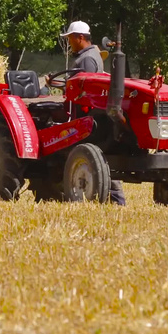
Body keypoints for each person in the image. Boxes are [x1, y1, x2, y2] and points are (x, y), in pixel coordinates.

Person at [61, 20, 126, 206]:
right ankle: (116, 200)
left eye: (71, 38)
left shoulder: (87, 59)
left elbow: (86, 88)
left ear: (80, 38)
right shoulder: (90, 55)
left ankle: (116, 200)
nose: (69, 42)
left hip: (84, 113)